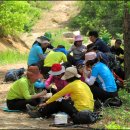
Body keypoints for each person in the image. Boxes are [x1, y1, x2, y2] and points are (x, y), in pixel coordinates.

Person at [27, 67, 94, 124]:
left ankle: (40, 113)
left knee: (59, 101)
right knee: (64, 101)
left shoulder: (71, 85)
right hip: (89, 112)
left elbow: (57, 95)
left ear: (68, 78)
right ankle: (44, 112)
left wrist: (46, 103)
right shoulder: (83, 84)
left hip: (78, 113)